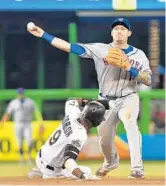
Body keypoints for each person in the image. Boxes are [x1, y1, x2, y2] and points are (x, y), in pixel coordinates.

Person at [27, 18, 152, 179]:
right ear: (111, 32)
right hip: (106, 99)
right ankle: (110, 162)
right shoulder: (100, 49)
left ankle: (137, 169)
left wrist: (129, 68)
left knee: (130, 125)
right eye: (116, 28)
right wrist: (43, 34)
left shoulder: (139, 55)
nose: (119, 31)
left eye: (123, 28)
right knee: (105, 140)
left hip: (129, 97)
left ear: (129, 33)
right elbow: (69, 47)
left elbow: (148, 80)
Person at [28, 98, 108, 180]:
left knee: (75, 167)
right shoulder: (80, 134)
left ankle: (40, 171)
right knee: (87, 171)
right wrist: (83, 176)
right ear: (96, 121)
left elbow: (71, 100)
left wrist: (92, 102)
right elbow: (68, 160)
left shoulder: (73, 112)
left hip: (40, 156)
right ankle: (47, 176)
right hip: (52, 170)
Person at [1, 88, 44, 163]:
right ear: (17, 94)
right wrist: (3, 121)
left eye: (21, 93)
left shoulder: (30, 101)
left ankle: (29, 156)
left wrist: (41, 123)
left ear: (23, 93)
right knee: (19, 142)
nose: (20, 94)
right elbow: (8, 113)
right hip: (18, 123)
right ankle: (21, 157)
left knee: (29, 140)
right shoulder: (13, 102)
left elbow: (36, 112)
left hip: (27, 123)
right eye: (19, 93)